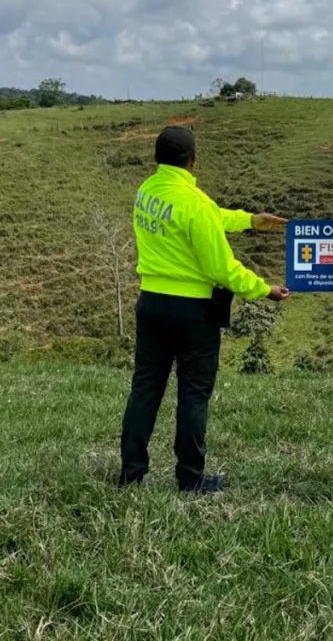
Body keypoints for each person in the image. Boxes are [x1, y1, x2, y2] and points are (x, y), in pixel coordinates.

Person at [121, 124, 291, 494]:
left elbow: (210, 216)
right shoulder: (194, 202)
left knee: (145, 388)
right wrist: (264, 290)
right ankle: (190, 477)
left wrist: (248, 220)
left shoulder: (146, 191)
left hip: (151, 303)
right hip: (193, 312)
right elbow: (221, 268)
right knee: (193, 393)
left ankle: (131, 474)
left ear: (157, 159)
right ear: (194, 162)